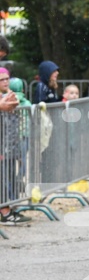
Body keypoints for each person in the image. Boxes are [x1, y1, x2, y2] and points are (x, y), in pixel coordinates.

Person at [0, 68, 31, 224]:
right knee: (2, 179)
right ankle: (5, 213)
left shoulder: (6, 95)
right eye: (2, 80)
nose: (6, 82)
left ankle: (9, 208)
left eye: (7, 79)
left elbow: (16, 102)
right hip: (2, 144)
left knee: (10, 176)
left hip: (11, 143)